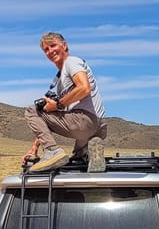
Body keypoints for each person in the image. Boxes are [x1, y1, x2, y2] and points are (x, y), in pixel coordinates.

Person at [23, 32, 107, 172]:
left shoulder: (71, 62)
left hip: (84, 121)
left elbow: (84, 88)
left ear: (64, 45)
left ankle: (52, 151)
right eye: (46, 49)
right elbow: (48, 122)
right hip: (98, 126)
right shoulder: (61, 78)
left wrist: (58, 105)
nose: (50, 51)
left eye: (53, 45)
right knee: (76, 161)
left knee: (32, 111)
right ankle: (86, 152)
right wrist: (34, 148)